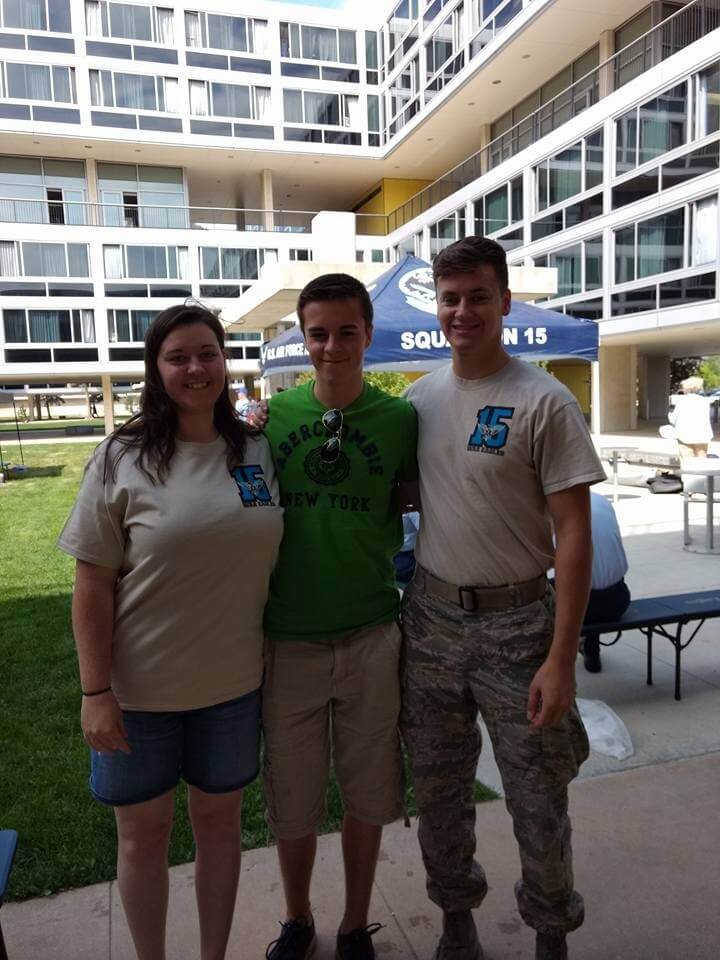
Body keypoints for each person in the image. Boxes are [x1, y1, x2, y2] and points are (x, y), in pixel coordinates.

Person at [400, 237, 606, 960]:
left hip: (521, 628)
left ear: (504, 301)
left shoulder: (543, 400)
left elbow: (573, 534)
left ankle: (552, 933)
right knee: (439, 793)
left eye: (478, 296)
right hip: (429, 623)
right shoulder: (418, 401)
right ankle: (456, 922)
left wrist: (562, 657)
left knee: (539, 798)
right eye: (450, 298)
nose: (463, 311)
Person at [57, 303, 283, 960]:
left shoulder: (255, 450)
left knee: (220, 830)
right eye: (178, 356)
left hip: (234, 687)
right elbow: (91, 582)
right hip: (138, 696)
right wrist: (94, 690)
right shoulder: (122, 458)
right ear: (157, 369)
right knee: (143, 838)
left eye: (207, 353)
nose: (195, 368)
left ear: (224, 360)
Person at [262, 273, 417, 960]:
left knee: (368, 789)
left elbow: (419, 505)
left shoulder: (401, 420)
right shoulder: (271, 420)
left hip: (371, 634)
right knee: (291, 798)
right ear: (302, 336)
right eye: (317, 333)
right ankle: (297, 918)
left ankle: (355, 923)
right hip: (287, 640)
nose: (331, 347)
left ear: (367, 336)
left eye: (345, 332)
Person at [580, 493, 631, 673]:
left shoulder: (549, 507)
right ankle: (591, 648)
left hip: (578, 610)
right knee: (594, 579)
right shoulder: (601, 500)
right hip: (617, 601)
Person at [659, 376, 712, 457]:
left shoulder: (682, 401)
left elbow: (673, 420)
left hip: (685, 436)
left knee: (687, 462)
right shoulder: (705, 401)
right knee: (701, 462)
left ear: (687, 388)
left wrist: (669, 415)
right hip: (703, 436)